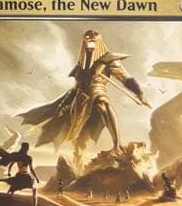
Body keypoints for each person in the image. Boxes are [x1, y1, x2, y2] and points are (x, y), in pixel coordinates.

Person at [20, 30, 150, 165]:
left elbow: (126, 78)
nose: (90, 44)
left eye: (93, 41)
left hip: (97, 89)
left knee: (103, 103)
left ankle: (117, 145)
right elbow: (75, 89)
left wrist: (139, 93)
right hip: (80, 99)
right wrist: (61, 106)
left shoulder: (108, 60)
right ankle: (79, 163)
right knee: (79, 134)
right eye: (87, 41)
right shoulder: (80, 66)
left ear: (99, 43)